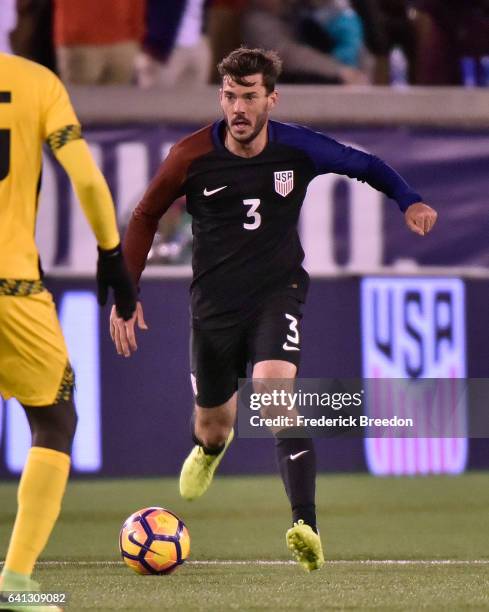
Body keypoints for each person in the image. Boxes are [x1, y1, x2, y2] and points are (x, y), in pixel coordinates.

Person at [110, 47, 437, 571]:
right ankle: (211, 449)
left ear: (271, 99)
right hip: (213, 306)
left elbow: (366, 164)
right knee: (215, 423)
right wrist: (127, 295)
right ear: (221, 96)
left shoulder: (298, 148)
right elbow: (147, 213)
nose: (238, 108)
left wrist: (409, 199)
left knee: (274, 394)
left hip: (276, 293)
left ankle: (304, 524)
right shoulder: (191, 155)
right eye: (230, 96)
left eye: (249, 97)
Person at [0, 53, 136, 611]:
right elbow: (84, 174)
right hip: (12, 286)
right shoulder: (34, 82)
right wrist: (111, 254)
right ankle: (15, 582)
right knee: (55, 418)